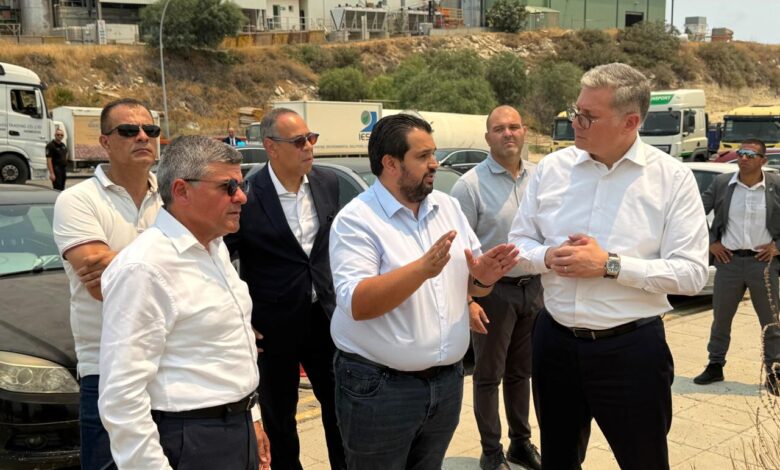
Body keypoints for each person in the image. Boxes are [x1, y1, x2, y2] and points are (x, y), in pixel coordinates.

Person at [508, 63, 709, 469]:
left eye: (588, 116)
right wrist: (546, 257)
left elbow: (691, 273)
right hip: (554, 341)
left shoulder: (671, 179)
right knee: (558, 460)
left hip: (631, 351)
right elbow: (519, 242)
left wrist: (611, 266)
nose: (575, 123)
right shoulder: (552, 169)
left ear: (630, 122)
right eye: (575, 110)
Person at [329, 113, 520, 470]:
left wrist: (483, 278)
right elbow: (358, 303)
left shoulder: (446, 207)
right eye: (422, 156)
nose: (434, 163)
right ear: (390, 163)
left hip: (446, 385)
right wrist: (421, 270)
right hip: (380, 389)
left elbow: (470, 285)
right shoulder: (356, 220)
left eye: (433, 153)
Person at [98, 135, 270, 469]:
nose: (241, 196)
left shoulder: (214, 247)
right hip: (191, 438)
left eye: (241, 184)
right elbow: (122, 397)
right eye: (228, 187)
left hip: (234, 426)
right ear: (181, 191)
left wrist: (252, 417)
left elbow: (227, 349)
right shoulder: (145, 268)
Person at [225, 108, 346, 470]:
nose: (309, 146)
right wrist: (239, 318)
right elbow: (221, 259)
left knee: (340, 408)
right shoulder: (247, 195)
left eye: (311, 138)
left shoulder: (327, 182)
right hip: (272, 326)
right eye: (298, 141)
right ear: (271, 147)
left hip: (325, 318)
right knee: (279, 419)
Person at [53, 98, 163, 470]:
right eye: (129, 130)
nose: (143, 137)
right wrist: (178, 270)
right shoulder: (77, 200)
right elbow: (102, 286)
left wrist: (121, 265)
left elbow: (202, 268)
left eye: (150, 129)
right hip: (107, 368)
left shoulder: (173, 197)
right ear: (105, 142)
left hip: (171, 361)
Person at [450, 105, 542, 470]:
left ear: (524, 131)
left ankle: (521, 443)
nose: (508, 133)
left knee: (521, 373)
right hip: (492, 294)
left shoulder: (539, 177)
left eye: (514, 127)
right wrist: (469, 300)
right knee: (488, 377)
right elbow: (459, 252)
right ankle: (491, 452)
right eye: (499, 128)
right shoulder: (469, 186)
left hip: (533, 289)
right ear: (487, 136)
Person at [693, 138, 780, 395]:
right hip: (728, 263)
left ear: (763, 160)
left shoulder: (775, 185)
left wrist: (777, 246)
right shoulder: (723, 184)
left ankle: (774, 372)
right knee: (721, 318)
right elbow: (693, 213)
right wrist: (711, 243)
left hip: (763, 265)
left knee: (771, 321)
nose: (743, 158)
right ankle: (715, 364)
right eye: (740, 153)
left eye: (750, 155)